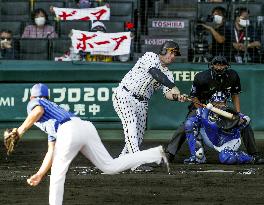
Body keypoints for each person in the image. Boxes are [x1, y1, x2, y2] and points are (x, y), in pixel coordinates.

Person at [15, 83, 169, 205]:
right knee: (110, 166)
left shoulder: (36, 102)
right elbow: (51, 151)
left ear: (31, 97)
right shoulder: (53, 112)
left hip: (69, 130)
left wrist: (19, 131)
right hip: (84, 126)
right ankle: (155, 153)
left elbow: (37, 111)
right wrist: (40, 174)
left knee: (57, 174)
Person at [166, 55, 264, 164]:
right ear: (212, 65)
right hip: (201, 106)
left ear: (227, 66)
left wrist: (238, 113)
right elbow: (194, 97)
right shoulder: (202, 77)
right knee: (187, 125)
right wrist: (202, 112)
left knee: (244, 123)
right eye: (217, 64)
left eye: (222, 65)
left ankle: (254, 154)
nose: (219, 67)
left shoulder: (233, 76)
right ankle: (170, 153)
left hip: (223, 108)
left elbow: (235, 96)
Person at [113, 41, 186, 171]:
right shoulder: (150, 56)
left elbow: (167, 94)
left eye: (175, 54)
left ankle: (120, 162)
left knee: (139, 137)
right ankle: (136, 163)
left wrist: (177, 97)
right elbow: (154, 72)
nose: (173, 56)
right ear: (163, 51)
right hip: (125, 95)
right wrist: (173, 86)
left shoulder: (168, 74)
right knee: (131, 127)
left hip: (142, 102)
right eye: (171, 52)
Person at [184, 102, 255, 164]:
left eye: (221, 103)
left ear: (225, 103)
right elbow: (190, 121)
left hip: (227, 142)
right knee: (190, 124)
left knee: (226, 158)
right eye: (216, 103)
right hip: (211, 139)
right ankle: (197, 156)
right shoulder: (204, 111)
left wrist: (242, 120)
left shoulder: (230, 112)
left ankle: (246, 157)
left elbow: (248, 119)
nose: (218, 105)